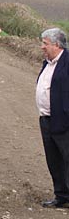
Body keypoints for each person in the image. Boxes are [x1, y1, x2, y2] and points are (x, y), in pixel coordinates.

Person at [36, 27, 69, 208]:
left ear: (56, 45)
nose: (42, 47)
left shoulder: (67, 62)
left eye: (45, 44)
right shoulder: (47, 63)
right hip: (46, 120)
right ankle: (61, 195)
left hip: (64, 121)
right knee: (54, 160)